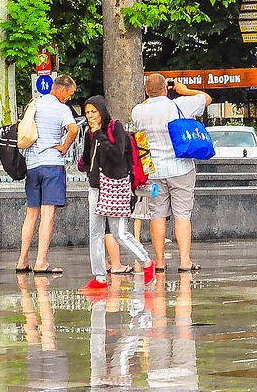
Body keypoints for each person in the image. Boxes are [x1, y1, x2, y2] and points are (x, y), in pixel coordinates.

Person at [131, 74, 211, 274]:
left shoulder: (138, 111)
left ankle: (159, 261)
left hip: (153, 170)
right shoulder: (180, 104)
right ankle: (184, 261)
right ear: (166, 89)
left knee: (157, 215)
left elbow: (140, 138)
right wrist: (185, 91)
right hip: (180, 167)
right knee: (182, 215)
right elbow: (206, 99)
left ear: (146, 91)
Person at [79, 95, 156, 293]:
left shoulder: (115, 127)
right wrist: (87, 167)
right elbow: (86, 158)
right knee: (95, 232)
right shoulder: (89, 132)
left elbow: (117, 154)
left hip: (117, 186)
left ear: (102, 111)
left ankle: (147, 262)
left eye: (93, 112)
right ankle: (99, 277)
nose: (90, 116)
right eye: (87, 112)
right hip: (96, 186)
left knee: (119, 232)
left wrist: (100, 136)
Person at [16, 74, 78, 276]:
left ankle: (22, 260)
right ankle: (41, 261)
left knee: (31, 214)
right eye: (70, 93)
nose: (70, 98)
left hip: (32, 165)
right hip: (52, 164)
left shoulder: (35, 104)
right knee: (48, 215)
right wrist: (65, 147)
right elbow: (74, 129)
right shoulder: (61, 109)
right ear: (61, 89)